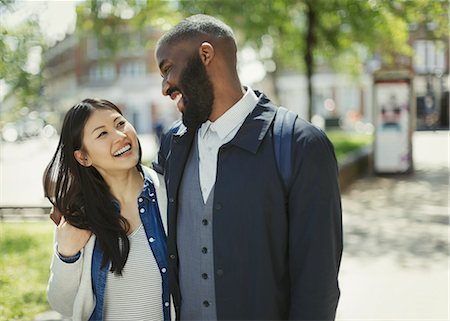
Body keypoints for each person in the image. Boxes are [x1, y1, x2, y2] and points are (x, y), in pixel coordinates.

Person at [154, 14, 343, 320]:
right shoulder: (173, 144)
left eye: (167, 70)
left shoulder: (300, 145)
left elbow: (317, 287)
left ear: (205, 55)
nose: (165, 87)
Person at [43, 99, 173, 321]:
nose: (120, 136)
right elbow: (63, 305)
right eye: (102, 134)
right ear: (83, 157)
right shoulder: (80, 218)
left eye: (120, 124)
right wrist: (66, 255)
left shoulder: (169, 193)